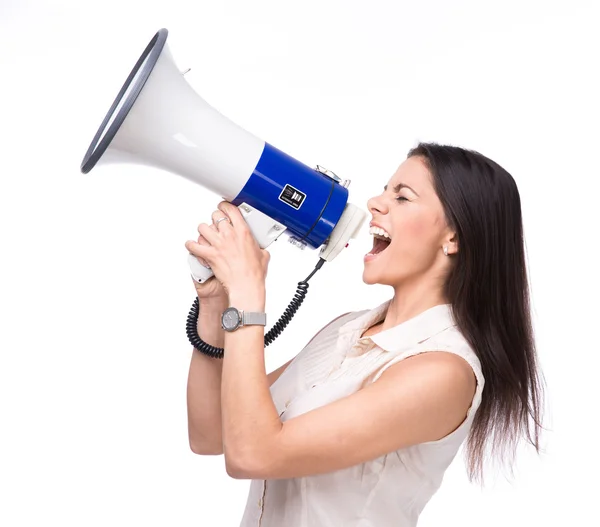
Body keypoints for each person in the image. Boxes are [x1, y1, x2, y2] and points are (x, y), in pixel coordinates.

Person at [184, 142, 545, 526]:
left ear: (453, 237)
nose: (375, 202)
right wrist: (216, 304)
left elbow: (253, 455)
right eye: (385, 189)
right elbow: (212, 434)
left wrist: (247, 293)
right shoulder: (344, 330)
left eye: (402, 197)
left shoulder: (443, 372)